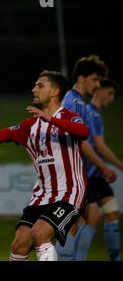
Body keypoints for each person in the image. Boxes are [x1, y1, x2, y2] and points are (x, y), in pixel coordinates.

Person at [0, 70, 89, 261]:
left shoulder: (67, 116)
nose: (34, 89)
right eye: (35, 85)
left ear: (54, 92)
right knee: (19, 244)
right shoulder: (29, 126)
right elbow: (1, 135)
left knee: (40, 233)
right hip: (42, 195)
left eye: (40, 85)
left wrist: (51, 119)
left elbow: (83, 132)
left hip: (69, 193)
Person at [56, 54, 117, 260]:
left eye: (99, 80)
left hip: (75, 172)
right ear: (81, 78)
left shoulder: (77, 101)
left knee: (88, 218)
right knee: (74, 222)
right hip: (69, 172)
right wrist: (103, 166)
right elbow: (81, 142)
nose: (97, 84)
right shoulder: (74, 102)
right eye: (95, 79)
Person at [73, 78, 122, 261]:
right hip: (88, 175)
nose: (111, 98)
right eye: (110, 93)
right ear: (99, 91)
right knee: (87, 220)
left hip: (96, 175)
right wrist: (119, 165)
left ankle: (114, 257)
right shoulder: (91, 113)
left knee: (111, 212)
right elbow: (100, 147)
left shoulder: (92, 113)